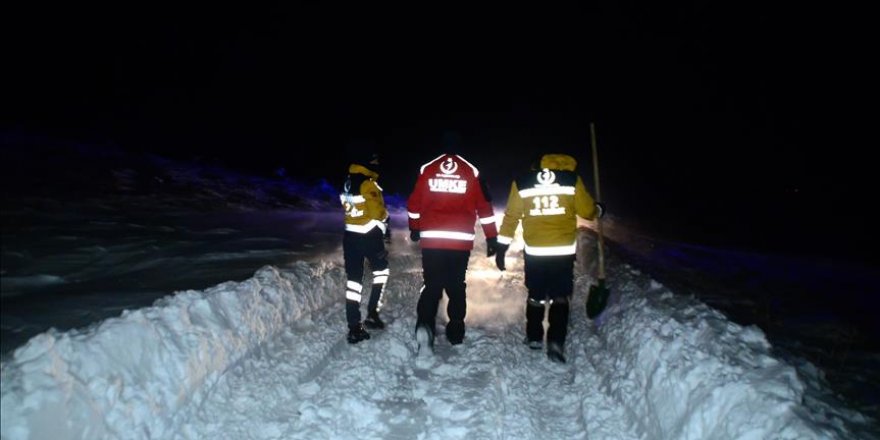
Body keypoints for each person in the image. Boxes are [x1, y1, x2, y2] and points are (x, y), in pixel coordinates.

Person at [493, 153, 604, 363]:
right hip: (562, 253)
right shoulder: (571, 180)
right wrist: (598, 209)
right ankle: (555, 343)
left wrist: (502, 247)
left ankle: (534, 337)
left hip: (536, 252)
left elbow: (512, 217)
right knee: (560, 296)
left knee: (535, 295)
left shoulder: (523, 182)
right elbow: (587, 211)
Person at [407, 152, 498, 354]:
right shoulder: (471, 170)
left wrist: (415, 226)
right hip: (459, 243)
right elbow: (484, 207)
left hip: (432, 240)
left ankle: (424, 326)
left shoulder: (428, 168)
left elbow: (414, 203)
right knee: (456, 285)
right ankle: (456, 331)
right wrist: (491, 238)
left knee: (431, 285)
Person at [339, 150, 391, 344]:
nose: (377, 164)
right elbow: (378, 212)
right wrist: (386, 216)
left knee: (354, 282)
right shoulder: (368, 183)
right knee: (381, 272)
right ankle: (372, 314)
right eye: (374, 161)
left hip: (350, 238)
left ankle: (354, 326)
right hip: (369, 238)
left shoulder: (348, 180)